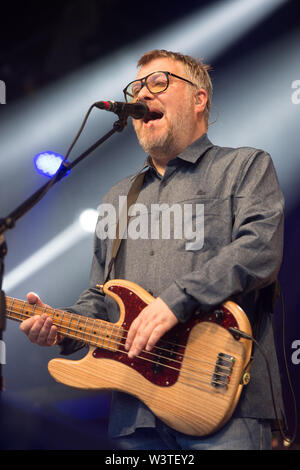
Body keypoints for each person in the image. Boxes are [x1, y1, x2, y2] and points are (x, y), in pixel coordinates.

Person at [20, 49, 285, 450]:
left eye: (159, 82)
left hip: (224, 404)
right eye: (137, 87)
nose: (143, 95)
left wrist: (174, 301)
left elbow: (259, 250)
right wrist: (61, 327)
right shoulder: (117, 197)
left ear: (199, 99)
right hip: (135, 417)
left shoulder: (244, 167)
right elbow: (101, 297)